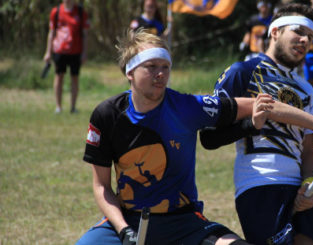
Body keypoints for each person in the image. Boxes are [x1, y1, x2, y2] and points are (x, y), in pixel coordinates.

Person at [75, 28, 295, 245]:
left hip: (184, 221)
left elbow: (261, 104)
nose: (160, 74)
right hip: (128, 221)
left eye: (165, 67)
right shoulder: (107, 115)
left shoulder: (186, 107)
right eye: (151, 67)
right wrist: (124, 231)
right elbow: (101, 187)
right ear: (129, 72)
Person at [200, 4, 313, 245]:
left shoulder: (308, 90)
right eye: (298, 31)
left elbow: (307, 150)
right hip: (259, 185)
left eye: (310, 37)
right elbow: (208, 137)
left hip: (299, 192)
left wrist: (309, 186)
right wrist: (250, 125)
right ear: (275, 32)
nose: (305, 40)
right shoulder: (242, 72)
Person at [43, 0, 89, 114]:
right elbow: (51, 33)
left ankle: (73, 107)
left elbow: (85, 34)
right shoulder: (56, 12)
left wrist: (84, 52)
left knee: (75, 78)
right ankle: (58, 106)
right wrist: (48, 52)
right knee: (59, 76)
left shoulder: (80, 12)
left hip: (76, 50)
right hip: (59, 50)